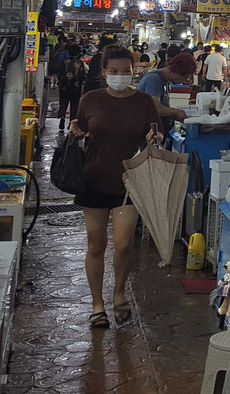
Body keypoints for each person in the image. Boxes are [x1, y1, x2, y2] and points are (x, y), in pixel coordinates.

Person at [69, 46, 161, 328]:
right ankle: (98, 305)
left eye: (125, 72)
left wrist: (153, 136)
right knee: (96, 244)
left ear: (133, 72)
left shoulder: (144, 101)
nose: (120, 76)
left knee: (123, 243)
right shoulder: (90, 99)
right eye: (114, 72)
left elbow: (155, 131)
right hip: (94, 178)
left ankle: (119, 294)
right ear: (104, 72)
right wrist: (76, 129)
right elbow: (79, 124)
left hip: (129, 182)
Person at [136, 51, 195, 125]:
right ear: (176, 71)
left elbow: (163, 108)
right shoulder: (154, 79)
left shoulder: (165, 81)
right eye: (185, 77)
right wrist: (176, 112)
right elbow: (155, 108)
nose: (185, 81)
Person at [57, 45, 86, 131]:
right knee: (74, 105)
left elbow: (60, 73)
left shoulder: (64, 62)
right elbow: (82, 75)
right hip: (75, 87)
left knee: (63, 103)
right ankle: (71, 122)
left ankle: (62, 118)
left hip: (64, 86)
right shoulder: (80, 63)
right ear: (78, 53)